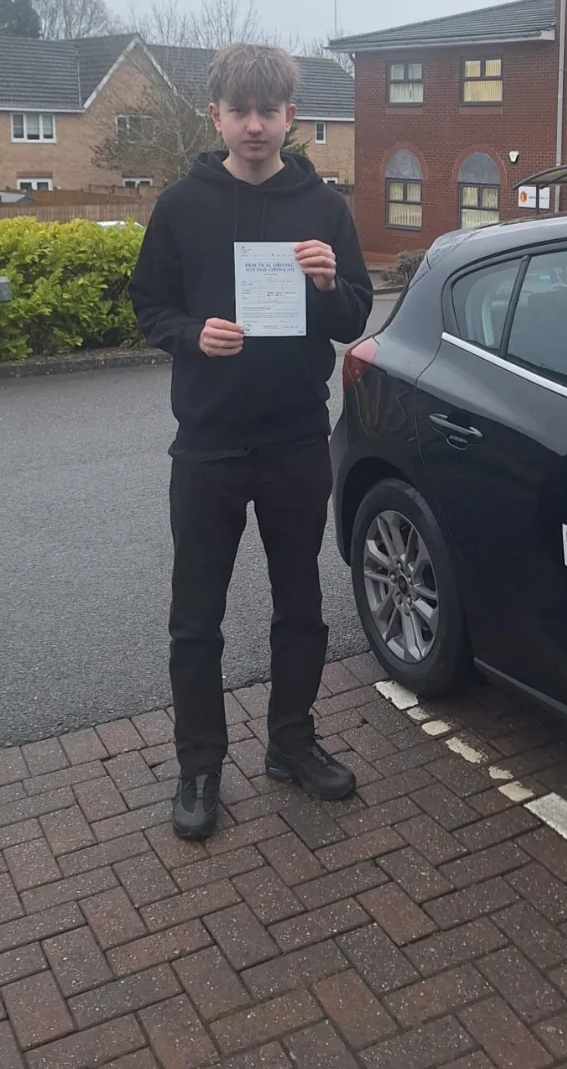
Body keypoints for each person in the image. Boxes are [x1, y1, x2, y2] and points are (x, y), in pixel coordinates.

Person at [128, 42, 373, 840]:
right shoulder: (181, 205)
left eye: (270, 111)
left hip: (296, 437)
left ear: (291, 116)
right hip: (207, 442)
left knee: (301, 603)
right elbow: (149, 304)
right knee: (195, 616)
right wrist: (191, 335)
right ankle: (200, 765)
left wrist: (329, 283)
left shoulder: (323, 207)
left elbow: (352, 317)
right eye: (241, 111)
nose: (256, 125)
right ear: (216, 116)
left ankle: (291, 743)